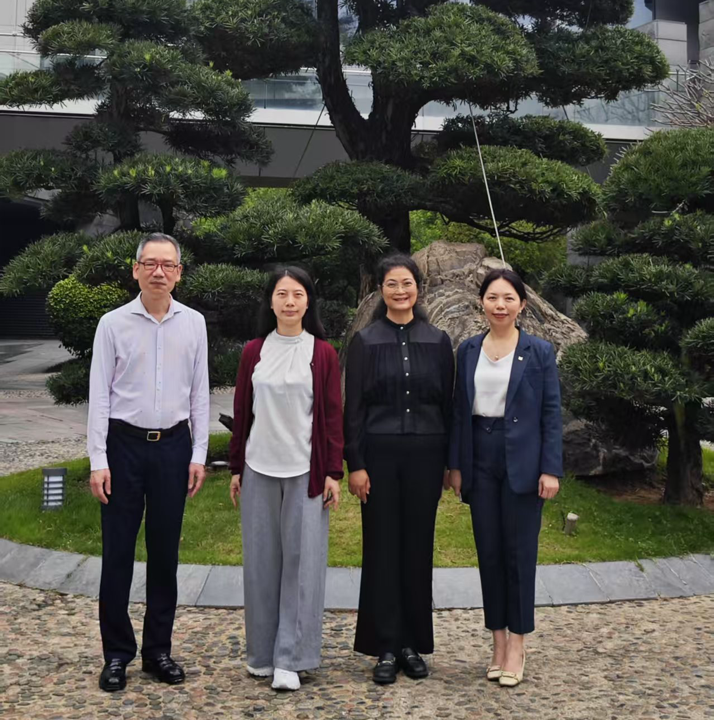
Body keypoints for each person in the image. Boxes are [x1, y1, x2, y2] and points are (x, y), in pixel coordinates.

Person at [87, 232, 209, 692]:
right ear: (135, 269)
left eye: (168, 265)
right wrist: (98, 459)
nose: (159, 272)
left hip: (173, 447)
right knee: (117, 552)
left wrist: (199, 453)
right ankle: (117, 654)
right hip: (123, 446)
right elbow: (99, 395)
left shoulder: (193, 323)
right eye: (151, 263)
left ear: (179, 273)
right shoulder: (112, 324)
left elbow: (200, 393)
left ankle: (158, 650)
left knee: (165, 553)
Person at [228, 266, 343, 692]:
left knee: (302, 564)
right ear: (271, 301)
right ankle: (261, 655)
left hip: (305, 472)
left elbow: (332, 416)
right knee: (260, 565)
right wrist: (236, 468)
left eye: (297, 294)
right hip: (259, 467)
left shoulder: (323, 353)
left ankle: (291, 659)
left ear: (308, 301)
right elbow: (242, 412)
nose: (290, 301)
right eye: (282, 294)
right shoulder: (253, 352)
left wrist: (333, 472)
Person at [448, 268, 562, 688]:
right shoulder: (468, 350)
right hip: (479, 455)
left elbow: (551, 412)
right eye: (492, 297)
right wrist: (455, 465)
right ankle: (497, 642)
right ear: (482, 302)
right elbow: (458, 410)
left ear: (522, 304)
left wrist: (550, 468)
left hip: (524, 462)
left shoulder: (539, 351)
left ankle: (517, 644)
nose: (500, 305)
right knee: (490, 553)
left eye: (508, 298)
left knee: (519, 555)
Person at [344, 253, 454, 685]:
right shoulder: (366, 341)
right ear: (381, 291)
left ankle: (412, 643)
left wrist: (449, 463)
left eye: (407, 283)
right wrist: (356, 464)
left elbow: (448, 405)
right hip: (379, 457)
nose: (400, 291)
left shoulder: (438, 341)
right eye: (392, 284)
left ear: (418, 289)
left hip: (426, 456)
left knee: (417, 549)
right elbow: (354, 409)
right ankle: (386, 646)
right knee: (382, 548)